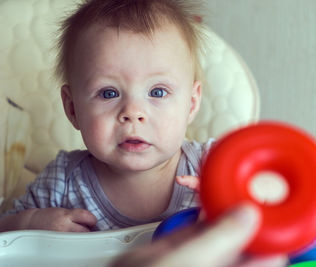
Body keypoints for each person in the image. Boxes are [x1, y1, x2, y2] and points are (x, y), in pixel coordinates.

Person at [0, 0, 210, 232]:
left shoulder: (212, 166)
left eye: (157, 92)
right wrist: (31, 223)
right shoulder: (62, 183)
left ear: (191, 104)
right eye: (108, 93)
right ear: (72, 109)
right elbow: (5, 239)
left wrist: (232, 205)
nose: (133, 112)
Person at [111, 203, 288, 267]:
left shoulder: (211, 157)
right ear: (80, 121)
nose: (134, 116)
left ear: (190, 116)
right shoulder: (81, 176)